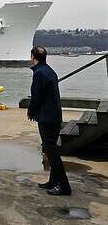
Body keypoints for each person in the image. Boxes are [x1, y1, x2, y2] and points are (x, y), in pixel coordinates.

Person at [28, 46, 71, 196]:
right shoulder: (49, 71)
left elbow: (36, 96)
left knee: (51, 151)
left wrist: (31, 111)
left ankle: (64, 185)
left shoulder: (39, 73)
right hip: (54, 116)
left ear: (33, 56)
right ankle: (53, 181)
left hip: (46, 117)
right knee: (51, 148)